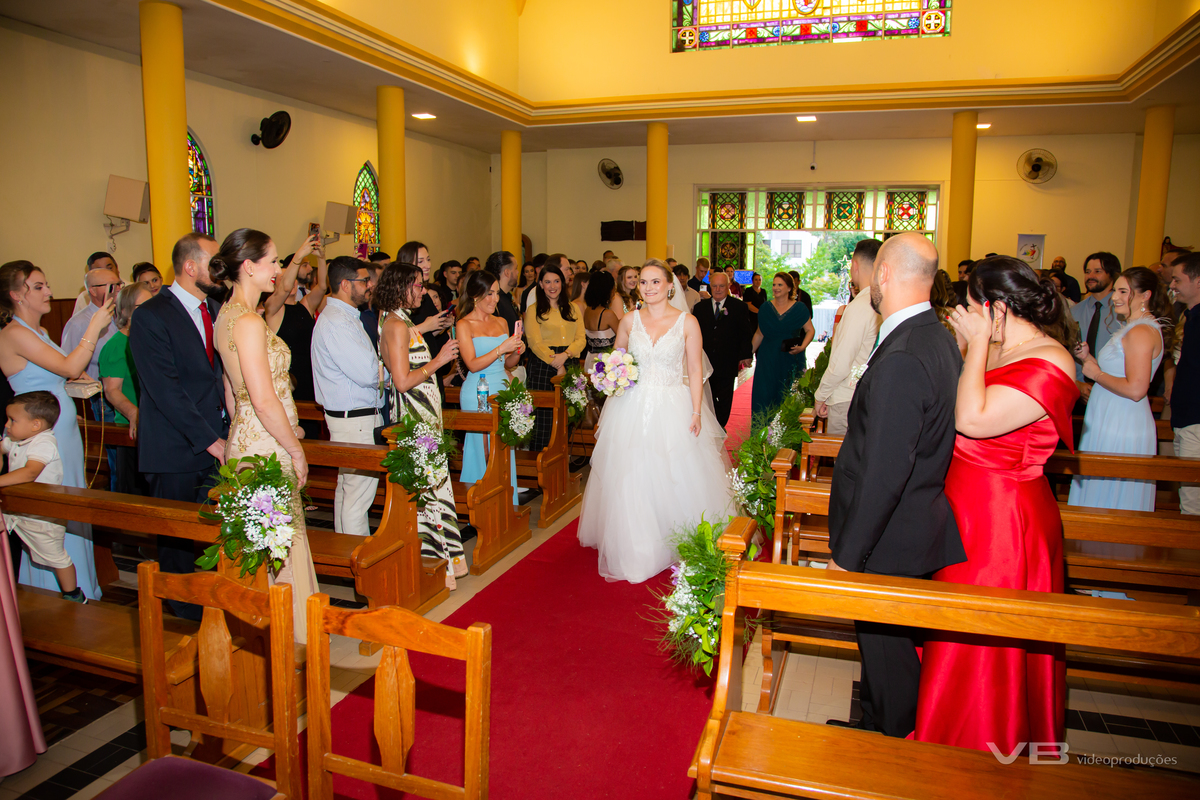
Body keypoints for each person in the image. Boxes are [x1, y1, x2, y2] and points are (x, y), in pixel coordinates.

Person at [915, 256, 1079, 756]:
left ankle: (987, 743)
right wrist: (978, 343)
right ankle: (943, 731)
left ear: (996, 309)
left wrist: (979, 343)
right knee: (954, 630)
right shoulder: (1006, 345)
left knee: (986, 639)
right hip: (966, 510)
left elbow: (973, 418)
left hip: (1004, 521)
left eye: (969, 307)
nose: (961, 315)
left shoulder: (1052, 360)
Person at [825, 233, 965, 738]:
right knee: (885, 649)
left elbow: (885, 471)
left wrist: (848, 554)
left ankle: (892, 752)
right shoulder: (934, 335)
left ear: (883, 274)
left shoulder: (906, 352)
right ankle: (878, 723)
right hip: (907, 524)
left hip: (888, 537)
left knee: (890, 656)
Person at [578, 259, 733, 583]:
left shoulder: (687, 322)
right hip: (631, 405)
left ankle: (675, 535)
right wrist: (608, 383)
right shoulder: (629, 321)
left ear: (669, 286)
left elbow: (694, 371)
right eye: (643, 282)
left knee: (674, 473)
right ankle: (640, 545)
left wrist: (695, 411)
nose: (648, 288)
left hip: (672, 404)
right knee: (633, 474)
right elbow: (615, 362)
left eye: (655, 282)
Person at [210, 229, 317, 640]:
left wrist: (243, 436)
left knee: (268, 544)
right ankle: (290, 640)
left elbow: (230, 391)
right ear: (249, 267)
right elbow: (263, 397)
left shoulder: (226, 315)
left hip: (249, 440)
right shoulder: (250, 321)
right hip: (268, 445)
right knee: (280, 547)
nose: (279, 270)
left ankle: (269, 636)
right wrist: (295, 448)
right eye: (273, 262)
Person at [0, 260, 111, 601]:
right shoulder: (14, 333)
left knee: (72, 503)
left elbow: (63, 375)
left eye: (46, 284)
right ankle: (52, 595)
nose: (48, 291)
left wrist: (78, 382)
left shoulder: (41, 332)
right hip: (39, 436)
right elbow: (68, 364)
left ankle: (81, 588)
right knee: (51, 516)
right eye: (38, 286)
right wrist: (94, 327)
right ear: (16, 294)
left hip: (62, 430)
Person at [129, 232, 226, 620]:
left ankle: (214, 608)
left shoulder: (215, 308)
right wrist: (209, 440)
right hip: (174, 448)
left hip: (216, 439)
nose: (220, 272)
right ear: (190, 267)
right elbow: (165, 390)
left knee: (212, 534)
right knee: (179, 545)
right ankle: (185, 616)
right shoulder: (151, 315)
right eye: (213, 264)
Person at [376, 262, 466, 588]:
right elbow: (401, 381)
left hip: (425, 414)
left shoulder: (401, 321)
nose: (422, 290)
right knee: (427, 491)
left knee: (433, 487)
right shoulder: (396, 326)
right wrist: (439, 361)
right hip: (415, 417)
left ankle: (441, 563)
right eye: (416, 285)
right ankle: (431, 565)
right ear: (401, 287)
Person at [1068, 267, 1168, 511]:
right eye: (1115, 291)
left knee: (1112, 488)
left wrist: (1096, 374)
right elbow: (1119, 375)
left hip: (1121, 420)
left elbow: (1136, 389)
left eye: (1124, 291)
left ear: (1145, 295)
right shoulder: (1133, 328)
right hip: (1110, 414)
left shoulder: (1141, 332)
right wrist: (1088, 359)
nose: (1114, 297)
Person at [311, 257, 383, 538]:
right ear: (344, 284)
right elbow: (368, 374)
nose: (369, 286)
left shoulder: (343, 316)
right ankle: (359, 559)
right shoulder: (338, 322)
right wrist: (391, 367)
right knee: (358, 498)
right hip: (356, 421)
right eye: (364, 281)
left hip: (353, 419)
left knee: (348, 491)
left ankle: (346, 550)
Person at [1, 391, 85, 603]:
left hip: (42, 514)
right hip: (16, 509)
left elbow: (30, 472)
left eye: (12, 420)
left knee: (55, 555)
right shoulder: (16, 438)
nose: (7, 425)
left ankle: (73, 594)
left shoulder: (44, 442)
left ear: (35, 425)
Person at [457, 272, 524, 506]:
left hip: (502, 389)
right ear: (475, 295)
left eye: (496, 293)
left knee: (503, 448)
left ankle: (505, 503)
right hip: (478, 390)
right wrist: (500, 348)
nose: (495, 299)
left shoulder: (501, 322)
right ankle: (482, 504)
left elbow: (507, 364)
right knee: (484, 450)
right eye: (489, 294)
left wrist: (515, 350)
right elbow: (472, 364)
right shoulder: (464, 324)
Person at [814, 238, 881, 436]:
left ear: (855, 265)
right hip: (870, 394)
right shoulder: (885, 302)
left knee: (844, 465)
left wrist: (821, 396)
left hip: (848, 397)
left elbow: (841, 363)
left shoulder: (861, 306)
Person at [524, 262, 586, 452]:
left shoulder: (573, 308)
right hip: (543, 365)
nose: (552, 286)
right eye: (547, 282)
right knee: (544, 417)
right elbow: (534, 342)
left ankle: (561, 462)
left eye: (556, 281)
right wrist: (555, 361)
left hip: (570, 361)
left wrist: (565, 356)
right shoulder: (534, 309)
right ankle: (539, 463)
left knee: (567, 414)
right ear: (540, 284)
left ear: (564, 282)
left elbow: (581, 339)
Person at [97, 283, 152, 494]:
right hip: (132, 430)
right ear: (127, 311)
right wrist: (134, 414)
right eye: (142, 306)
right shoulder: (116, 345)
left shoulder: (151, 339)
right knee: (136, 493)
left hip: (154, 426)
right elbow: (112, 391)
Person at [265, 238, 327, 415]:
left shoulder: (305, 305)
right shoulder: (272, 309)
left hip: (310, 373)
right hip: (287, 378)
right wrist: (298, 256)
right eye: (284, 278)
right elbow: (283, 290)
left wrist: (321, 258)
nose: (291, 282)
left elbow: (322, 286)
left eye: (292, 278)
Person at [61, 266, 121, 425]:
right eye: (111, 286)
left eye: (119, 284)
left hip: (125, 390)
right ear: (93, 291)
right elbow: (67, 362)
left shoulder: (121, 314)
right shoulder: (79, 323)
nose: (118, 290)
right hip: (102, 396)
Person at [693, 272, 752, 428]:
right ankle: (709, 427)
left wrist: (746, 354)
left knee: (725, 398)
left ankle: (720, 426)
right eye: (714, 286)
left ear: (728, 286)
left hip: (727, 360)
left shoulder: (739, 307)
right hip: (705, 362)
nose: (718, 289)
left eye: (722, 286)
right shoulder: (700, 308)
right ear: (710, 287)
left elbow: (746, 333)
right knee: (707, 396)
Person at [751, 272, 814, 417]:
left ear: (789, 288)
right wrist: (748, 354)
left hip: (790, 358)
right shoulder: (765, 308)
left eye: (780, 285)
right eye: (774, 284)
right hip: (767, 358)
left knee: (787, 396)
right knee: (765, 395)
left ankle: (785, 435)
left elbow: (810, 330)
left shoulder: (799, 308)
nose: (775, 288)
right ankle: (763, 435)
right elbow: (759, 334)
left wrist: (802, 346)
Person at [1170, 253, 1200, 515]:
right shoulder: (1191, 317)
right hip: (1187, 418)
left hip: (1197, 420)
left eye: (1178, 280)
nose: (1172, 285)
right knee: (1188, 497)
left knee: (1192, 504)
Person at [1070, 251, 1122, 403]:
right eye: (1087, 272)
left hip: (1113, 391)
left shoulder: (1122, 313)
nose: (1090, 276)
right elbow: (1065, 350)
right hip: (1078, 390)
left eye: (1097, 271)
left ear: (1112, 275)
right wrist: (1077, 383)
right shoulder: (1074, 312)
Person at [401, 241, 455, 386]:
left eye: (428, 259)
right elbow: (396, 337)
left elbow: (426, 336)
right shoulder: (400, 299)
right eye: (421, 261)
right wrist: (426, 326)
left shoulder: (423, 294)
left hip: (431, 367)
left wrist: (440, 325)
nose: (427, 265)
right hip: (414, 372)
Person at [484, 250, 522, 335]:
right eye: (516, 268)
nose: (518, 272)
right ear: (507, 272)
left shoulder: (507, 297)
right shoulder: (494, 301)